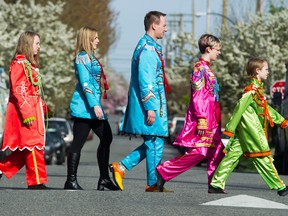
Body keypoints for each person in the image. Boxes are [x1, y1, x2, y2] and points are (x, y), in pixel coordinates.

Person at [109, 11, 172, 192]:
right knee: (154, 141)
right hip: (150, 105)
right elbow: (147, 80)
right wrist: (150, 107)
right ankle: (149, 182)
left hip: (156, 105)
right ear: (154, 25)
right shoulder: (147, 49)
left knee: (155, 141)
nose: (166, 29)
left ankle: (124, 169)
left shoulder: (150, 47)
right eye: (164, 25)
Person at [208, 57, 288, 196]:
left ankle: (216, 183)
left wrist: (280, 120)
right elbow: (239, 107)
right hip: (251, 130)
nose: (268, 72)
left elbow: (265, 108)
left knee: (232, 156)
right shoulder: (251, 91)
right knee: (263, 156)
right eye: (266, 69)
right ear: (257, 71)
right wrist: (230, 129)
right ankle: (280, 186)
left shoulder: (257, 89)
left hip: (246, 129)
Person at [156, 34, 225, 192]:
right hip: (205, 117)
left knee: (217, 152)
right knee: (200, 152)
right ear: (208, 49)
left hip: (213, 118)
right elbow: (198, 95)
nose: (219, 53)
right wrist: (201, 118)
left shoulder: (207, 68)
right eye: (217, 49)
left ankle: (215, 184)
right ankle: (164, 171)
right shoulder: (199, 68)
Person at [64, 26, 118, 191]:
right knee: (78, 144)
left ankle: (104, 179)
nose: (98, 41)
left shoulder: (90, 57)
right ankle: (70, 181)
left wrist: (97, 104)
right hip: (84, 108)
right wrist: (95, 105)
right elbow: (85, 82)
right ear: (87, 39)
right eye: (95, 38)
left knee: (107, 137)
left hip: (94, 106)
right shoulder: (81, 57)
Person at [0, 31, 51, 189]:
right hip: (25, 113)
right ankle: (36, 180)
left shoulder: (29, 64)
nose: (39, 47)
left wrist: (43, 108)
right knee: (33, 146)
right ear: (27, 44)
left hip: (34, 110)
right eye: (36, 43)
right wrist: (28, 114)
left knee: (28, 148)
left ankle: (1, 168)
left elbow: (33, 90)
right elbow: (19, 90)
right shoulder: (19, 64)